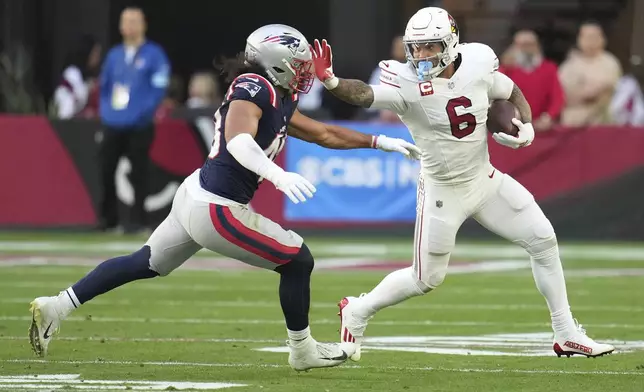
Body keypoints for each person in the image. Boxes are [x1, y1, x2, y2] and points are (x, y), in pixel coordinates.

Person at [28, 24, 420, 371]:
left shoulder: (278, 93)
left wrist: (380, 141)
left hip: (197, 195)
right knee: (298, 260)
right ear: (275, 63)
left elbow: (323, 133)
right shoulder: (254, 87)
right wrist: (277, 175)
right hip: (217, 207)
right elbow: (239, 142)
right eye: (299, 66)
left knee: (144, 262)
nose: (306, 73)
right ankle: (302, 350)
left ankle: (57, 305)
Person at [311, 7, 615, 360]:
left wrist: (527, 123)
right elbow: (364, 94)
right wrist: (332, 81)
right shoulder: (406, 83)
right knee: (425, 279)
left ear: (451, 43)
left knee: (543, 239)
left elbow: (509, 90)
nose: (421, 55)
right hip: (443, 190)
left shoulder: (477, 61)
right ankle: (358, 310)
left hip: (483, 180)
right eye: (416, 47)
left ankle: (566, 333)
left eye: (430, 46)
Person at [98, 7, 170, 234]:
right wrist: (107, 113)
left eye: (133, 21)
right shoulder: (114, 55)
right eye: (125, 21)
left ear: (143, 25)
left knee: (139, 172)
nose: (128, 26)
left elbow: (159, 86)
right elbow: (105, 87)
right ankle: (108, 220)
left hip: (140, 124)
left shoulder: (154, 54)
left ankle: (138, 222)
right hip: (113, 123)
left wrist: (143, 112)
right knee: (106, 168)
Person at [558, 21, 622, 127]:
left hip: (601, 122)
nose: (590, 41)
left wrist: (591, 93)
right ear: (579, 39)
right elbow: (561, 93)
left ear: (602, 39)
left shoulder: (610, 62)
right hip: (572, 122)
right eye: (586, 37)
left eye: (594, 36)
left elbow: (607, 90)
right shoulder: (569, 65)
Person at [499, 29, 564, 131]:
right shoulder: (507, 69)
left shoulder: (549, 69)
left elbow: (557, 97)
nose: (527, 49)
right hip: (513, 126)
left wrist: (548, 117)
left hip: (542, 126)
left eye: (530, 44)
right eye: (523, 45)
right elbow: (498, 96)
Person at [53, 35, 102, 119]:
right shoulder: (71, 72)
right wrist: (90, 88)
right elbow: (80, 97)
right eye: (95, 53)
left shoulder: (87, 75)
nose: (98, 57)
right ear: (86, 53)